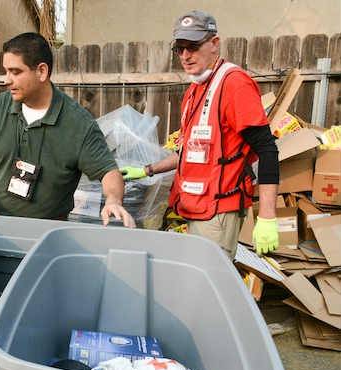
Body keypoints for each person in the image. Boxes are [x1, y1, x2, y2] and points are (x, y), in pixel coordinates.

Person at [120, 11, 280, 258]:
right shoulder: (195, 90)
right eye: (180, 49)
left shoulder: (234, 84)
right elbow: (190, 151)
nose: (185, 56)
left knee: (204, 288)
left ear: (214, 44)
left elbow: (267, 150)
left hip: (219, 211)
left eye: (192, 47)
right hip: (197, 207)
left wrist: (268, 216)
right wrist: (147, 170)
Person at [0, 32, 134, 227]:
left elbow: (109, 172)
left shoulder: (78, 123)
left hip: (47, 231)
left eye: (15, 72)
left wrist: (113, 201)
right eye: (5, 71)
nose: (6, 80)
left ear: (41, 71)